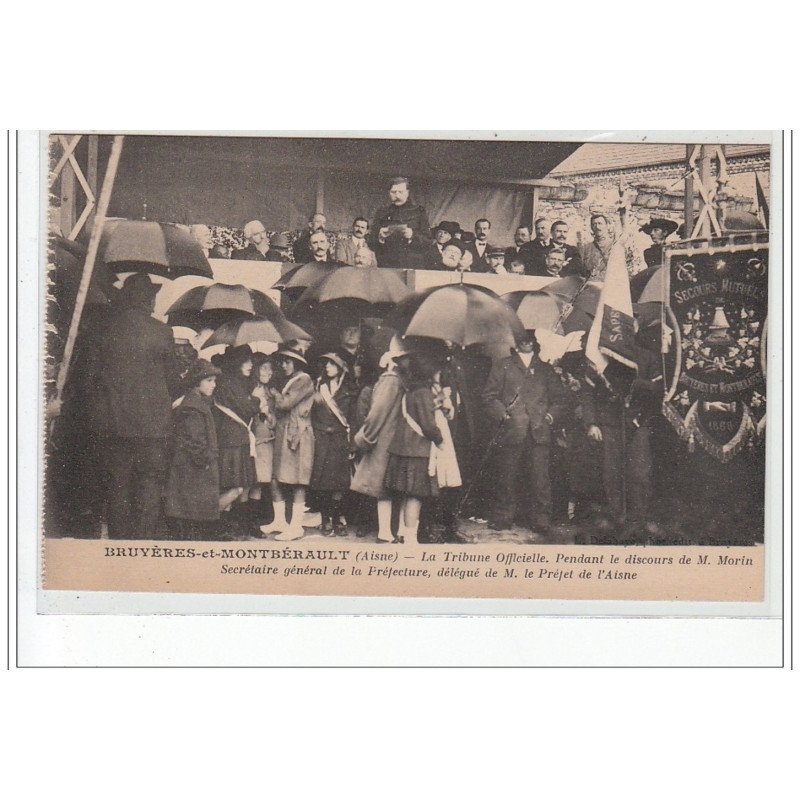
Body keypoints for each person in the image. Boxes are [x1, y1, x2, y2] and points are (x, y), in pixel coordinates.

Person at [96, 273, 180, 539]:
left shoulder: (106, 330)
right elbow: (173, 381)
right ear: (146, 299)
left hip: (115, 424)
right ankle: (143, 542)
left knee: (119, 482)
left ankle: (120, 543)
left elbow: (94, 378)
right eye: (153, 296)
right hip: (154, 427)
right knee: (150, 482)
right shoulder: (163, 332)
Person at [580, 313, 664, 541]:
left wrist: (635, 384)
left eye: (632, 324)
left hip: (638, 421)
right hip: (610, 423)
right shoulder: (602, 358)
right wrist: (591, 422)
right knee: (612, 473)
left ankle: (638, 522)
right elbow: (587, 394)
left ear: (636, 328)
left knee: (639, 473)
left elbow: (658, 390)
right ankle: (616, 520)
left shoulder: (647, 358)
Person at [481, 330, 568, 534]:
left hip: (539, 431)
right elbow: (489, 397)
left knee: (540, 478)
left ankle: (541, 519)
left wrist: (549, 417)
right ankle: (503, 517)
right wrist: (503, 415)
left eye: (530, 339)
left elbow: (560, 400)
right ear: (515, 343)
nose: (526, 343)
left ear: (534, 342)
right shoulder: (503, 365)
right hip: (512, 430)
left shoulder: (545, 369)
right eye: (522, 339)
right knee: (506, 475)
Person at [351, 336, 410, 543]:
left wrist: (364, 438)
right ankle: (402, 531)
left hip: (384, 440)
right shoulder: (407, 379)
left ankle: (385, 533)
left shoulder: (390, 380)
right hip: (402, 440)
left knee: (382, 488)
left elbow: (377, 413)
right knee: (401, 487)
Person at [384, 353, 443, 545]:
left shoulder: (410, 391)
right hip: (417, 451)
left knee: (405, 495)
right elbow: (428, 425)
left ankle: (402, 533)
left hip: (403, 448)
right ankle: (410, 540)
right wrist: (439, 439)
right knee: (415, 496)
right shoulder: (424, 393)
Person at [165, 359, 224, 539]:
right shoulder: (192, 407)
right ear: (197, 382)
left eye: (214, 381)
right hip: (194, 469)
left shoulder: (197, 402)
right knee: (192, 512)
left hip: (194, 467)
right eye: (209, 381)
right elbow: (194, 441)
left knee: (192, 512)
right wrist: (205, 461)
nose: (213, 385)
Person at [263, 348, 316, 541]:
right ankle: (279, 521)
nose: (283, 365)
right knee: (276, 476)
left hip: (298, 433)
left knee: (298, 479)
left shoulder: (304, 379)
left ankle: (296, 527)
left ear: (297, 363)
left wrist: (274, 392)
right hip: (285, 431)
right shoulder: (291, 381)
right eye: (283, 362)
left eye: (287, 362)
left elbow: (284, 404)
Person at [212, 345, 260, 534]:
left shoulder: (236, 381)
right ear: (236, 361)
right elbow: (247, 408)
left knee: (240, 485)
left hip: (238, 439)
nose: (250, 365)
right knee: (235, 486)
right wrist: (256, 399)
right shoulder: (229, 382)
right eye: (246, 360)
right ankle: (218, 523)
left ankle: (235, 525)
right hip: (232, 441)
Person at [310, 353, 359, 535]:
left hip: (340, 439)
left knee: (339, 482)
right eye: (327, 364)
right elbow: (312, 415)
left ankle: (338, 518)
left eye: (332, 364)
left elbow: (354, 419)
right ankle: (325, 519)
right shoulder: (318, 386)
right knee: (323, 482)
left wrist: (353, 444)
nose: (328, 367)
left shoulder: (349, 389)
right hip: (322, 438)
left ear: (340, 368)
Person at [370, 176, 431, 268]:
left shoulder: (419, 211)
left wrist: (412, 235)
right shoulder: (381, 212)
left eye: (400, 192)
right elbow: (370, 242)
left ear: (407, 193)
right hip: (387, 264)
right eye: (393, 192)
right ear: (388, 193)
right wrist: (380, 237)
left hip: (411, 264)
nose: (397, 196)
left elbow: (428, 241)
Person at [249, 355, 278, 525]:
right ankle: (253, 522)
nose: (268, 372)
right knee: (258, 480)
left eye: (270, 368)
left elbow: (274, 417)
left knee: (268, 478)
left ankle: (268, 518)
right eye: (264, 368)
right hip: (258, 438)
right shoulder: (252, 390)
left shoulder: (270, 391)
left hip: (269, 437)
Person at [581, 213, 616, 281]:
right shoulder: (586, 248)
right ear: (591, 227)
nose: (597, 227)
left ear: (607, 225)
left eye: (600, 223)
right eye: (594, 224)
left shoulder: (614, 246)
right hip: (591, 286)